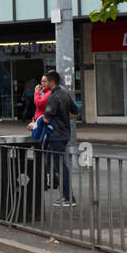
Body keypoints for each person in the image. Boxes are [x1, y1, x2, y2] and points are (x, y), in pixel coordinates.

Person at [42, 69, 78, 206]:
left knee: (60, 167)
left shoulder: (53, 97)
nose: (44, 84)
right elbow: (75, 112)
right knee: (55, 164)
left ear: (52, 82)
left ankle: (68, 197)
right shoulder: (65, 95)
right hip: (65, 134)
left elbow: (46, 119)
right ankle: (65, 195)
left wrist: (36, 123)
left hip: (55, 135)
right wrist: (63, 117)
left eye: (46, 82)